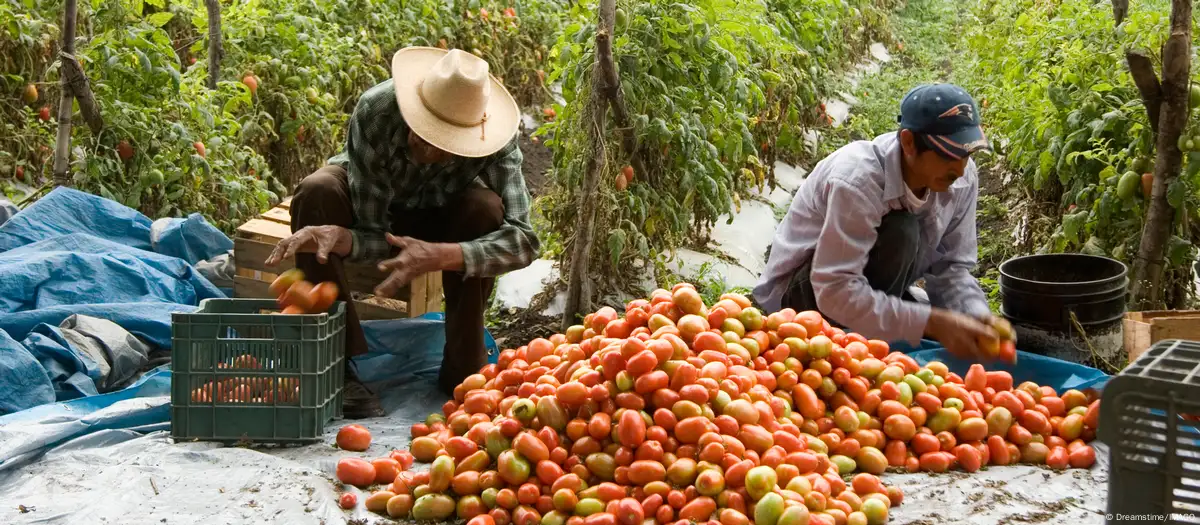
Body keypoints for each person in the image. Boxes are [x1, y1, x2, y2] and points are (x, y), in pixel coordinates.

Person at [265, 47, 540, 418]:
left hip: (446, 218)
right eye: (421, 129)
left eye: (441, 142)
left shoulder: (493, 138)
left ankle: (463, 365)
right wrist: (346, 238)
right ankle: (334, 363)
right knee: (319, 191)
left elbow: (524, 240)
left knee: (485, 209)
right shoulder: (377, 111)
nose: (425, 145)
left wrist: (443, 255)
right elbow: (372, 228)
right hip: (379, 207)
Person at [754, 83, 1004, 358]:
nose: (960, 167)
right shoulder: (857, 181)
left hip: (872, 287)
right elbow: (834, 289)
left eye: (967, 154)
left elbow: (950, 268)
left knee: (925, 302)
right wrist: (929, 323)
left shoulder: (960, 177)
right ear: (908, 142)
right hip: (804, 297)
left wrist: (977, 319)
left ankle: (879, 329)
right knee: (902, 231)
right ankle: (852, 342)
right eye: (948, 154)